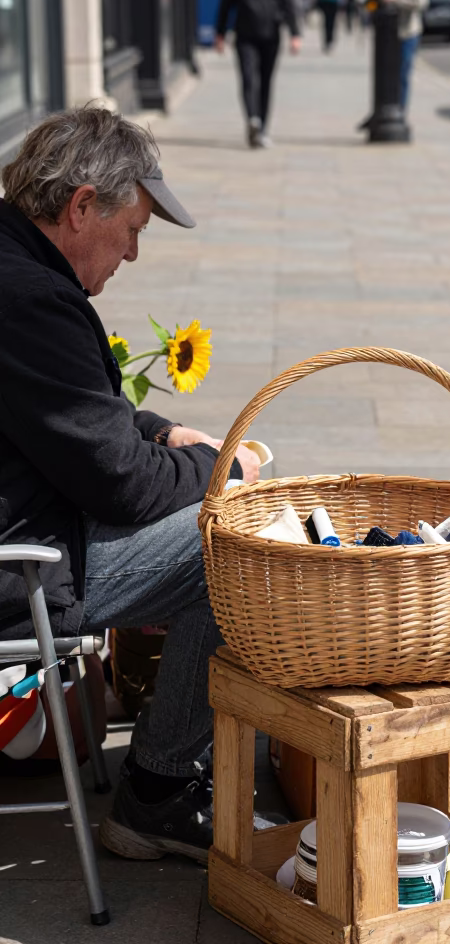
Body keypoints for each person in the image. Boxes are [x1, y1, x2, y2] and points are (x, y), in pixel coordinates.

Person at [0, 106, 261, 863]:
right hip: (22, 568)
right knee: (241, 544)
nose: (135, 254)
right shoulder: (31, 301)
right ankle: (158, 794)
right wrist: (224, 469)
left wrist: (163, 433)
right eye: (134, 229)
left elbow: (73, 418)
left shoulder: (16, 266)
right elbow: (119, 485)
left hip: (30, 524)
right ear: (81, 206)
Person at [215, 0, 301, 148]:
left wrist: (295, 33)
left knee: (265, 81)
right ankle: (252, 119)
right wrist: (220, 33)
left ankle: (263, 128)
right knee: (248, 78)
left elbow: (288, 2)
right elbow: (226, 3)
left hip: (271, 35)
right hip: (245, 34)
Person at [373, 0, 428, 113]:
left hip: (406, 31)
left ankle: (400, 111)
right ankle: (384, 108)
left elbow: (420, 1)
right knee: (385, 74)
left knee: (402, 74)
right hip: (386, 32)